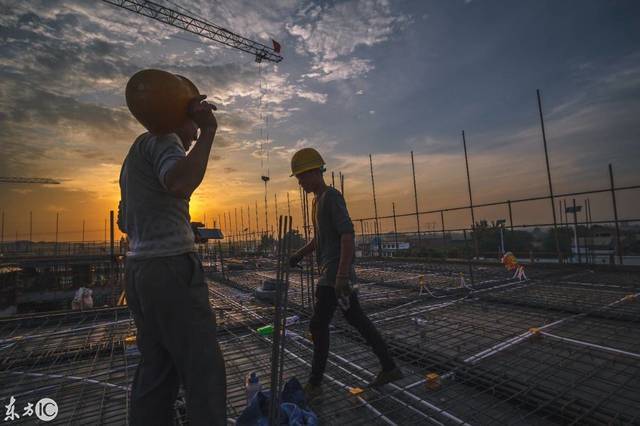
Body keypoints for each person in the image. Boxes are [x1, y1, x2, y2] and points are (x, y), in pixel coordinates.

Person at [118, 73, 226, 425]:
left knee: (158, 369)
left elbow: (126, 219)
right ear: (181, 115)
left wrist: (179, 225)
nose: (194, 133)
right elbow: (179, 181)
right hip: (170, 271)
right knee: (203, 370)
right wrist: (210, 131)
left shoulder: (136, 151)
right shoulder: (165, 141)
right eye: (193, 123)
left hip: (139, 272)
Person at [288, 148, 402, 401]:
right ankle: (390, 367)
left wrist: (340, 277)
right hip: (334, 274)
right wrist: (298, 255)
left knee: (318, 325)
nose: (300, 182)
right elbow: (320, 239)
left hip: (335, 276)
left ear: (316, 172)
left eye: (303, 177)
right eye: (298, 178)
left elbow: (348, 236)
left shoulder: (332, 197)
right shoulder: (317, 201)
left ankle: (315, 384)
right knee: (357, 319)